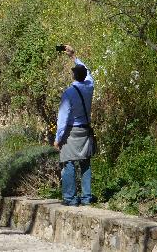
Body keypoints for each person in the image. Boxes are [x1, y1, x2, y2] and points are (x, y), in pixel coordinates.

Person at [53, 44, 94, 206]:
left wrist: (58, 138)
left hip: (71, 132)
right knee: (85, 162)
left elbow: (63, 119)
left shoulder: (69, 93)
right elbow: (88, 72)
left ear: (73, 76)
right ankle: (86, 197)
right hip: (85, 130)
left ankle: (70, 198)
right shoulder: (90, 86)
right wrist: (73, 55)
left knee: (68, 162)